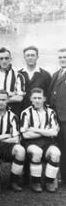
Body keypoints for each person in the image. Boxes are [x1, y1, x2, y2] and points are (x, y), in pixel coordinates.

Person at [20, 88, 61, 193]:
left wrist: (34, 129)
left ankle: (49, 182)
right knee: (37, 152)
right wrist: (46, 131)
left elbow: (54, 133)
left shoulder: (51, 112)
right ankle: (36, 183)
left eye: (39, 98)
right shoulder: (25, 113)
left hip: (47, 142)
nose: (37, 100)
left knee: (56, 153)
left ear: (44, 99)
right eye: (34, 98)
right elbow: (26, 135)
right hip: (30, 143)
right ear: (30, 99)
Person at [0, 47, 25, 116]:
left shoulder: (18, 76)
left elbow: (20, 97)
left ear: (10, 59)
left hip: (13, 109)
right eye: (1, 59)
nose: (4, 61)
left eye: (6, 58)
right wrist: (12, 94)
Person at [47, 48, 66, 184]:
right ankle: (63, 176)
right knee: (60, 147)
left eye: (65, 57)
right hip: (57, 118)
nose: (62, 59)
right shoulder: (56, 74)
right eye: (60, 57)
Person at [18, 46, 51, 111]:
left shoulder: (45, 75)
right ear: (24, 57)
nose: (30, 58)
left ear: (37, 57)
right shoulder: (18, 74)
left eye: (33, 55)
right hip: (21, 111)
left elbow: (48, 96)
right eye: (28, 55)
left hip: (39, 111)